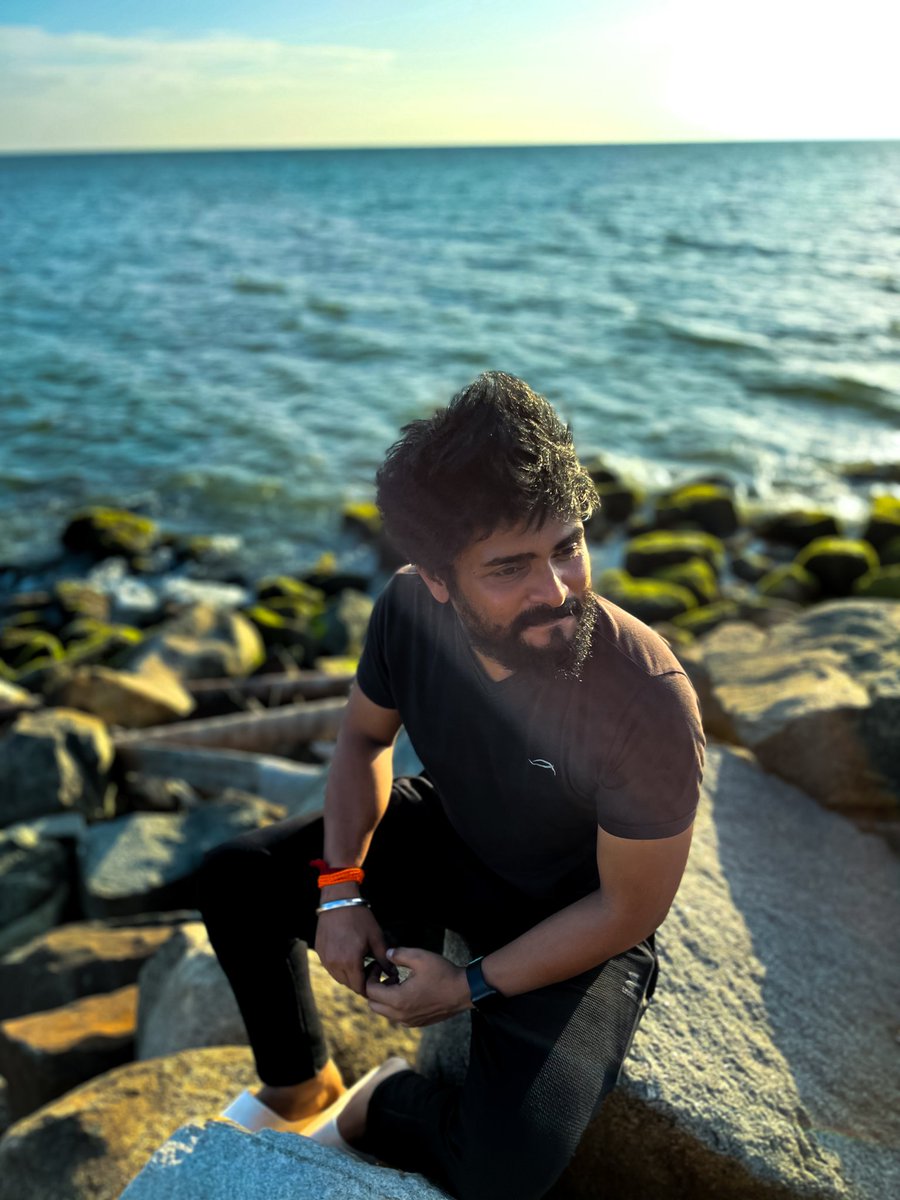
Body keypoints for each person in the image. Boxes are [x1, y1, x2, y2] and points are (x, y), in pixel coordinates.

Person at [198, 371, 705, 1200]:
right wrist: (338, 890)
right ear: (436, 577)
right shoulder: (407, 610)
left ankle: (380, 1102)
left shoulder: (645, 697)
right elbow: (365, 736)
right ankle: (299, 1087)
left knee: (504, 1175)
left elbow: (629, 909)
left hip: (574, 914)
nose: (557, 590)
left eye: (568, 547)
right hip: (453, 836)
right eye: (510, 568)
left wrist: (468, 985)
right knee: (236, 879)